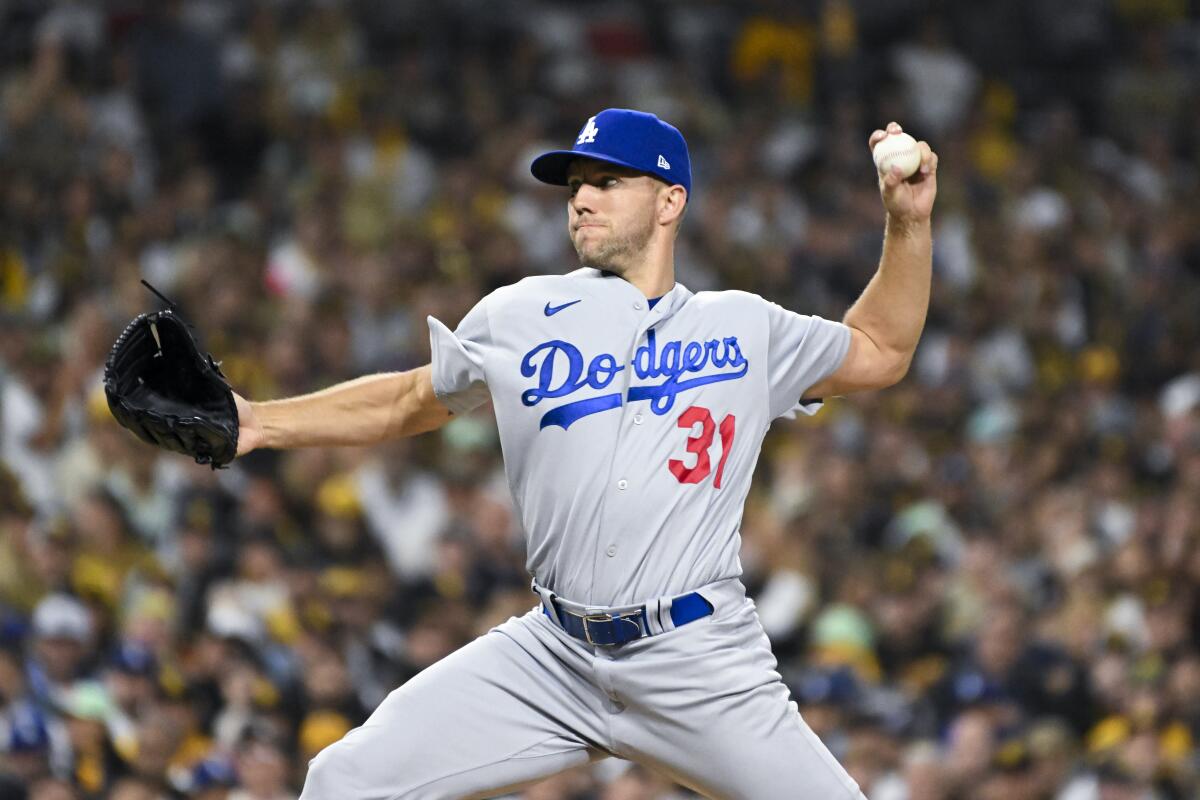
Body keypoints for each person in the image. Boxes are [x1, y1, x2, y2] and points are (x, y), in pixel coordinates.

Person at [233, 108, 938, 799]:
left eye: (607, 182)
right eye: (575, 186)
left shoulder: (744, 326)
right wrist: (260, 422)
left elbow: (881, 349)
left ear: (670, 202)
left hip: (698, 660)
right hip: (554, 654)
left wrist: (907, 223)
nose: (582, 200)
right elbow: (407, 401)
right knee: (343, 779)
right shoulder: (518, 313)